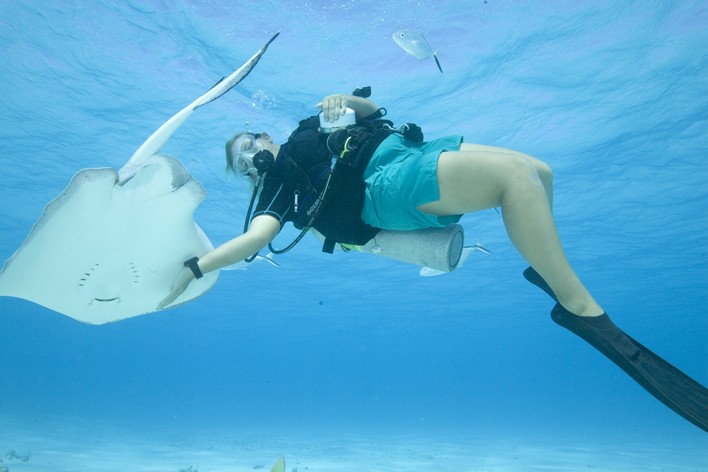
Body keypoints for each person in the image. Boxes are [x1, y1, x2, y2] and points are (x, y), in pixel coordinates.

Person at [158, 91, 707, 432]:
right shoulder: (280, 188)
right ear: (248, 173)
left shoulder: (307, 127)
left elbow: (372, 111)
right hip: (384, 189)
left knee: (539, 171)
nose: (252, 148)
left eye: (252, 137)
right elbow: (255, 240)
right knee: (513, 182)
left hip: (407, 152)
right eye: (242, 158)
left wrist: (344, 99)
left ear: (266, 132)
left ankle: (546, 268)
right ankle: (579, 306)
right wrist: (197, 267)